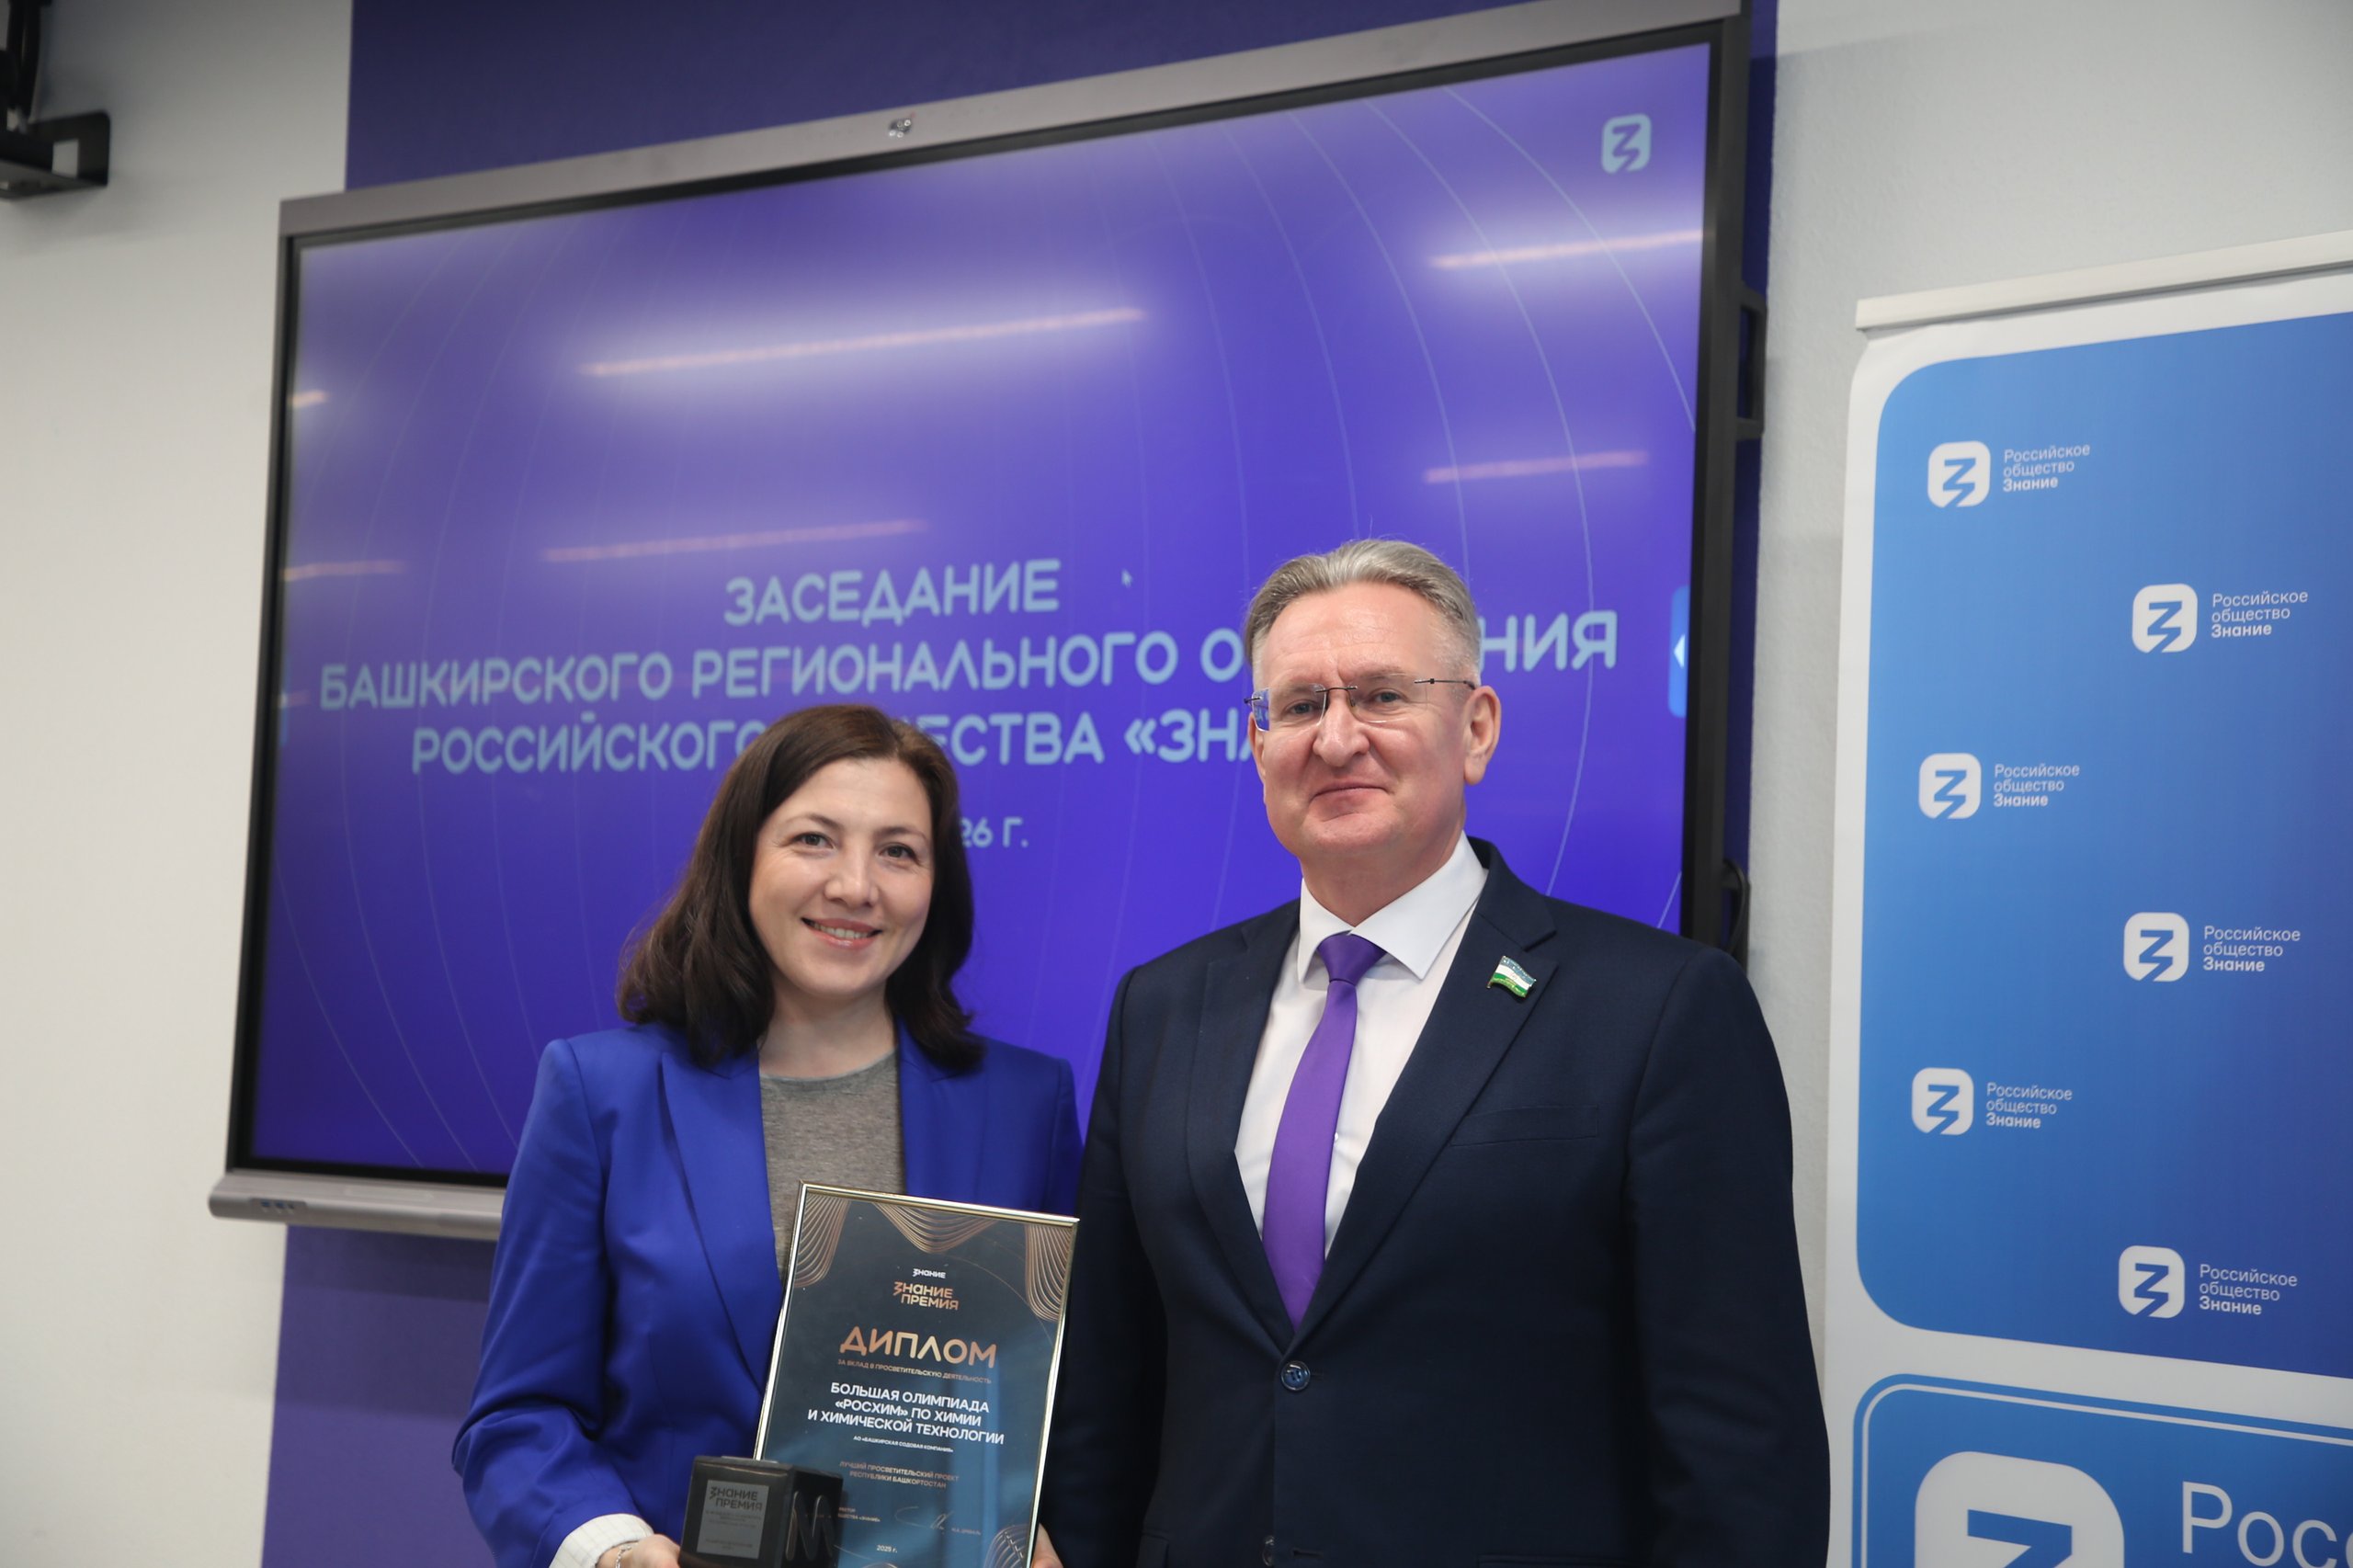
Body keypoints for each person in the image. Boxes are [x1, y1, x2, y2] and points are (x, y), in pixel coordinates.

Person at [1038, 540, 1827, 1568]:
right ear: (1258, 742)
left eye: (1380, 695)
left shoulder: (1658, 1008)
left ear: (1476, 727)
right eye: (1299, 705)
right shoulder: (1161, 1006)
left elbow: (1740, 1443)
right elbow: (1105, 1385)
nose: (1336, 738)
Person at [456, 703, 1082, 1568]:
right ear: (741, 857)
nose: (856, 886)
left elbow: (1066, 1407)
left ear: (937, 886)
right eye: (813, 840)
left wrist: (1041, 1527)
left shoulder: (1024, 1107)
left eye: (898, 851)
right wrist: (612, 1550)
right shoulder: (601, 1094)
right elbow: (517, 1420)